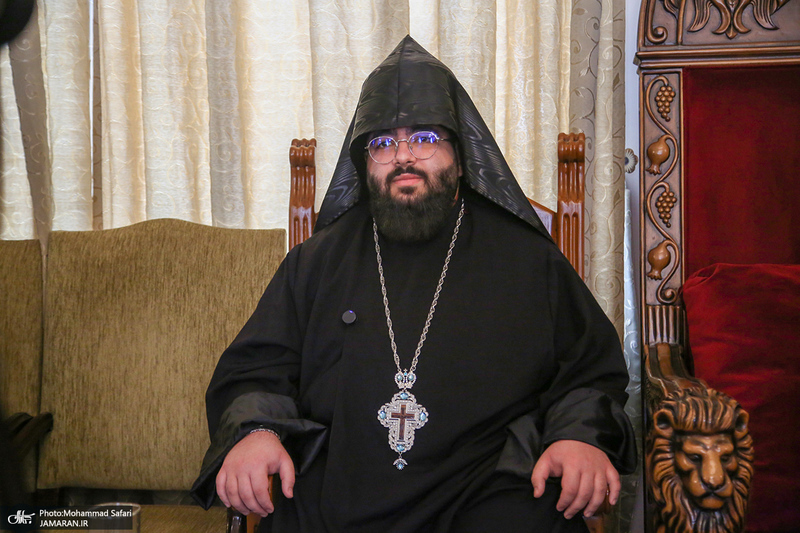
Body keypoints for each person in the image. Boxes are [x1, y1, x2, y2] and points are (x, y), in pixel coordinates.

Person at [191, 36, 636, 532]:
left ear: (460, 157)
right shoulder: (316, 262)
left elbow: (588, 370)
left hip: (487, 492)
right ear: (364, 164)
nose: (403, 157)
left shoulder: (526, 259)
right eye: (383, 144)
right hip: (338, 495)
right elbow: (257, 368)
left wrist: (577, 436)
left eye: (424, 138)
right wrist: (256, 432)